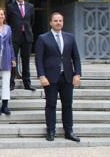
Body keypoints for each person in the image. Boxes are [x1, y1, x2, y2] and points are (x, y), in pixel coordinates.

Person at [35, 12, 82, 142]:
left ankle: (69, 131)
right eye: (55, 20)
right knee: (51, 104)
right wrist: (41, 76)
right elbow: (38, 59)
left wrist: (77, 74)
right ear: (50, 22)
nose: (58, 23)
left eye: (60, 20)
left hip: (67, 77)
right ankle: (51, 131)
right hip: (50, 78)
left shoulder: (70, 38)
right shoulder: (43, 38)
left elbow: (76, 58)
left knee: (67, 105)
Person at [6, 0, 36, 91]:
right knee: (12, 61)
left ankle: (27, 84)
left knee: (26, 61)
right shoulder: (10, 7)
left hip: (27, 37)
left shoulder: (30, 6)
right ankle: (11, 83)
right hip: (14, 37)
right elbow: (8, 21)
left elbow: (32, 21)